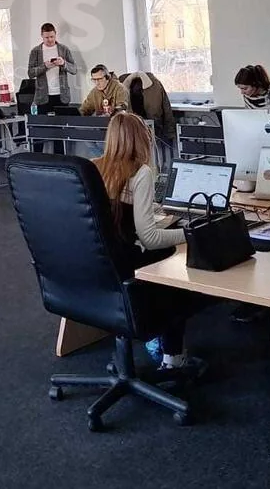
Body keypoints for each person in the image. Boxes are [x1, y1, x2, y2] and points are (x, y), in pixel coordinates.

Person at [92, 112, 192, 368]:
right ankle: (172, 356)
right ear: (142, 140)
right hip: (128, 265)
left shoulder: (93, 167)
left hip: (98, 264)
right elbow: (150, 237)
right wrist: (191, 234)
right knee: (173, 260)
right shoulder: (140, 172)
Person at [26, 23, 78, 112]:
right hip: (42, 97)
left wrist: (63, 63)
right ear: (42, 36)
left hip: (62, 96)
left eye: (52, 36)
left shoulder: (64, 49)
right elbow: (30, 73)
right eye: (47, 37)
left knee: (63, 120)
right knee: (43, 121)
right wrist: (45, 66)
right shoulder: (35, 51)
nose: (50, 40)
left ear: (55, 34)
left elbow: (74, 70)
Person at [120, 71, 176, 146]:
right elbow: (166, 109)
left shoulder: (155, 85)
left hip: (139, 128)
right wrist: (170, 133)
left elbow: (166, 109)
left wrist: (170, 133)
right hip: (141, 126)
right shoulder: (120, 86)